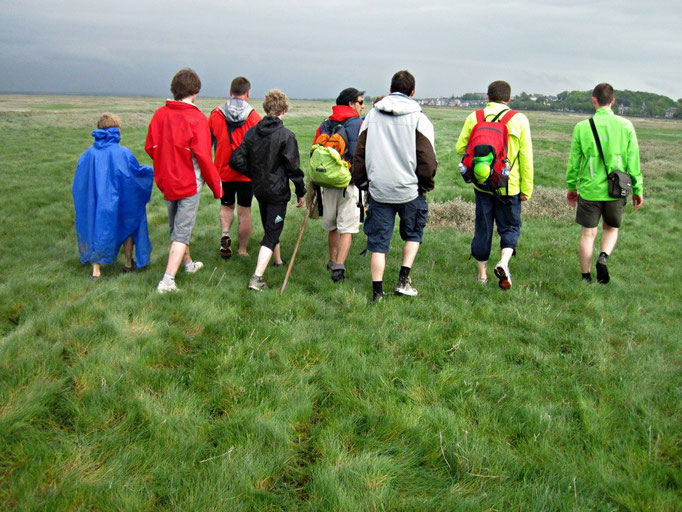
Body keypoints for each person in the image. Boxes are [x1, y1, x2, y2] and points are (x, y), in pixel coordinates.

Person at [352, 70, 438, 303]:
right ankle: (403, 279)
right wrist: (425, 184)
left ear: (390, 89)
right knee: (413, 233)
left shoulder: (371, 116)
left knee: (378, 243)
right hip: (410, 189)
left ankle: (377, 292)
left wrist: (361, 181)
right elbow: (427, 158)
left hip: (379, 188)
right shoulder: (420, 119)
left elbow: (359, 152)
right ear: (413, 92)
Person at [145, 68, 222, 293]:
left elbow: (150, 147)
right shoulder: (197, 118)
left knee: (178, 227)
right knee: (181, 231)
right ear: (195, 90)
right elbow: (205, 158)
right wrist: (217, 186)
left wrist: (165, 163)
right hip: (188, 183)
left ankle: (188, 264)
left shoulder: (160, 114)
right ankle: (167, 281)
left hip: (166, 180)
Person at [455, 80, 534, 290]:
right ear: (508, 98)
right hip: (509, 185)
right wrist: (527, 188)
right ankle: (503, 262)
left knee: (483, 227)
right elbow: (526, 157)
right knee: (510, 226)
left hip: (483, 185)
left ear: (487, 96)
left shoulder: (475, 117)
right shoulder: (519, 120)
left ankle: (482, 275)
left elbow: (459, 147)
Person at [566, 83, 644, 283]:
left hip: (590, 189)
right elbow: (633, 161)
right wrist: (637, 188)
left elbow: (574, 162)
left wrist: (572, 187)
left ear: (594, 100)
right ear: (613, 101)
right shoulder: (626, 125)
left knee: (588, 234)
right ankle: (603, 257)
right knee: (611, 228)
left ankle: (585, 277)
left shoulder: (582, 127)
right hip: (616, 190)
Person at [229, 89, 306, 291]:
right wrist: (301, 191)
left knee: (271, 225)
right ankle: (257, 277)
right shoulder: (286, 136)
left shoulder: (252, 132)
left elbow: (235, 158)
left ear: (266, 108)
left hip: (260, 189)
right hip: (277, 192)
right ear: (285, 110)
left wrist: (255, 173)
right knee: (272, 231)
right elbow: (293, 168)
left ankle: (278, 261)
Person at [73, 113, 154, 279]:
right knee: (129, 222)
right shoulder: (122, 153)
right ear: (116, 129)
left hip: (97, 203)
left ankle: (96, 271)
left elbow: (81, 182)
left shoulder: (88, 155)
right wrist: (152, 170)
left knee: (96, 227)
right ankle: (128, 263)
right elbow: (134, 174)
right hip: (121, 201)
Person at [314, 87, 365, 282]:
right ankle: (339, 268)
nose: (362, 106)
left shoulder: (325, 124)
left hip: (327, 182)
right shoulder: (359, 124)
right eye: (360, 102)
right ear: (351, 103)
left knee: (332, 225)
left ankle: (332, 260)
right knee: (348, 227)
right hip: (349, 183)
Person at [208, 76, 261, 259]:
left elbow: (209, 141)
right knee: (244, 211)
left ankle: (225, 233)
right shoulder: (254, 117)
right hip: (246, 174)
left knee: (226, 207)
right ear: (248, 93)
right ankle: (243, 250)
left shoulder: (216, 114)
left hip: (223, 171)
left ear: (231, 92)